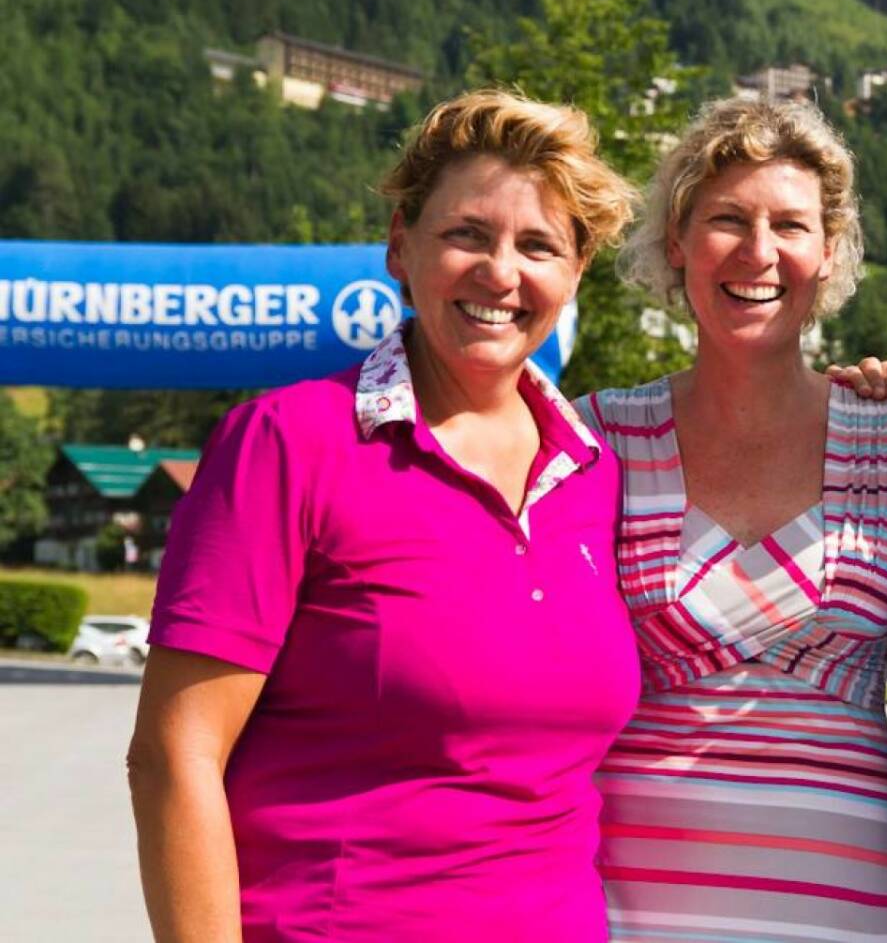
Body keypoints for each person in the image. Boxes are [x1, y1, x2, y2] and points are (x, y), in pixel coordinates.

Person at [126, 90, 642, 942]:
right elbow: (173, 757)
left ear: (576, 270)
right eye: (466, 234)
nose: (501, 273)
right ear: (400, 244)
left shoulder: (594, 473)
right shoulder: (287, 444)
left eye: (538, 245)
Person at [578, 96, 887, 943]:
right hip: (629, 904)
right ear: (677, 243)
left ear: (828, 253)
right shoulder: (595, 439)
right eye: (725, 219)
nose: (758, 251)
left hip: (846, 910)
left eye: (790, 223)